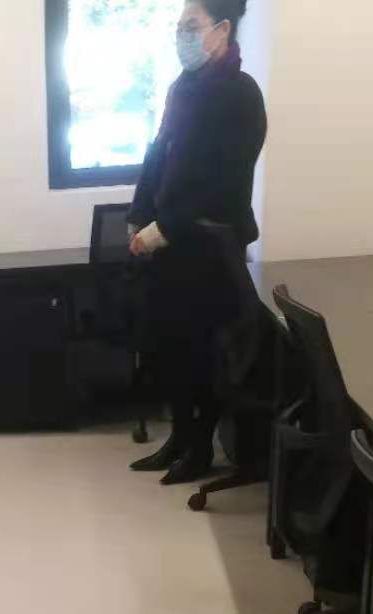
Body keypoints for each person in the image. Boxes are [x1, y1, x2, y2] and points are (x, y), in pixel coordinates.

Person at [127, 0, 267, 485]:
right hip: (169, 245)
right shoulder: (182, 88)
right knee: (170, 349)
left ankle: (201, 449)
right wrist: (138, 215)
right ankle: (180, 438)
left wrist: (162, 228)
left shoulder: (239, 93)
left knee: (202, 352)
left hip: (208, 246)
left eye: (191, 26)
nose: (181, 37)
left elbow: (221, 183)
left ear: (222, 30)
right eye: (178, 28)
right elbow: (158, 154)